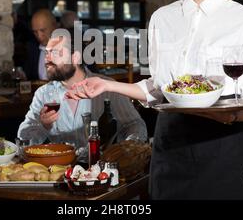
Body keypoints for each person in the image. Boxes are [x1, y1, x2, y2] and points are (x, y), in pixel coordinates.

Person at [66, 0, 243, 199]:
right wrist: (108, 84)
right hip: (171, 145)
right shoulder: (163, 18)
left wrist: (222, 113)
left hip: (224, 148)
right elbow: (158, 87)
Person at [17, 28, 147, 158]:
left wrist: (127, 148)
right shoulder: (43, 94)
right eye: (47, 53)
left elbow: (135, 125)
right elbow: (24, 137)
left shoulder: (106, 87)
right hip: (61, 171)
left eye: (55, 53)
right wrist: (43, 126)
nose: (47, 59)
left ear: (76, 57)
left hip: (101, 169)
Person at [23, 9, 58, 81]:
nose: (39, 36)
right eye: (35, 32)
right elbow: (28, 77)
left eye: (43, 30)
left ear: (54, 27)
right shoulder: (32, 48)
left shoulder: (69, 50)